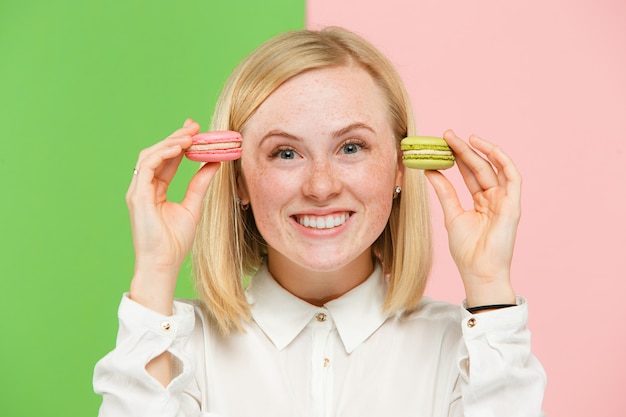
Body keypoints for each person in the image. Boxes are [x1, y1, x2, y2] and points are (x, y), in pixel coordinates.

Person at [93, 27, 546, 416]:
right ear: (239, 181)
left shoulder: (465, 349)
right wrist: (154, 271)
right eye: (285, 153)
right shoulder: (178, 350)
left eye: (351, 147)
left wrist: (489, 285)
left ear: (398, 168)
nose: (321, 186)